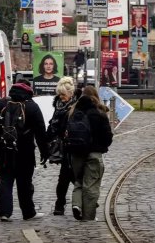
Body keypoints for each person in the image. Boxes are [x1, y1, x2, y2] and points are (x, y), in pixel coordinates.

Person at [0, 83, 49, 221]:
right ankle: (28, 212)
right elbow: (40, 132)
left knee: (6, 181)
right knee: (24, 182)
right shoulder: (32, 106)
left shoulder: (2, 104)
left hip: (4, 149)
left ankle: (5, 213)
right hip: (25, 151)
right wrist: (45, 152)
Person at [67, 86, 113, 221]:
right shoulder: (99, 113)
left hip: (76, 153)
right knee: (91, 185)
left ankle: (76, 205)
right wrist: (102, 145)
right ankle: (88, 217)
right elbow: (107, 137)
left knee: (79, 181)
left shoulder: (73, 111)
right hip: (94, 153)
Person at [46, 77, 78, 215]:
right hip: (63, 146)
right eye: (59, 94)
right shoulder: (58, 105)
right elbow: (54, 124)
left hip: (74, 145)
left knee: (70, 176)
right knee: (66, 177)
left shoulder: (76, 106)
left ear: (71, 94)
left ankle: (84, 199)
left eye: (63, 95)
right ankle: (60, 203)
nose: (61, 97)